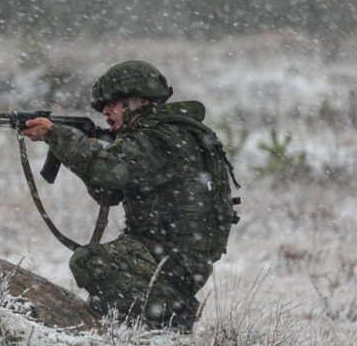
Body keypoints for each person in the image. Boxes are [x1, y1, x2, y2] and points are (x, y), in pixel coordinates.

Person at [21, 60, 239, 330]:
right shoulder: (155, 134)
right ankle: (139, 324)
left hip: (174, 259)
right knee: (101, 286)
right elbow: (108, 193)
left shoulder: (160, 137)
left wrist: (57, 136)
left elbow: (109, 170)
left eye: (113, 104)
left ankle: (172, 316)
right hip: (168, 252)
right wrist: (77, 148)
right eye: (103, 107)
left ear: (140, 101)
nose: (106, 112)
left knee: (90, 263)